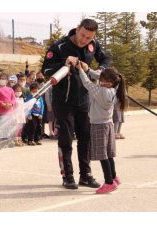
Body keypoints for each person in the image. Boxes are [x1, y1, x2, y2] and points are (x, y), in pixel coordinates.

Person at [41, 18, 110, 189]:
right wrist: (63, 63)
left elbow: (106, 59)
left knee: (85, 137)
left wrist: (98, 72)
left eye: (88, 38)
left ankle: (85, 175)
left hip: (84, 99)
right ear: (77, 29)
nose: (84, 40)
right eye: (83, 35)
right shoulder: (59, 47)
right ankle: (68, 176)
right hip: (63, 100)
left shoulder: (93, 45)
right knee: (66, 138)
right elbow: (46, 71)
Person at [76, 61, 126, 194]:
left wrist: (81, 70)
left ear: (108, 81)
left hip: (98, 126)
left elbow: (87, 83)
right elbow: (100, 78)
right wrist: (89, 69)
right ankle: (114, 177)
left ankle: (109, 182)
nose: (99, 79)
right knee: (109, 154)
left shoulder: (101, 91)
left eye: (102, 78)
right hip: (108, 125)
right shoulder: (114, 88)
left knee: (102, 154)